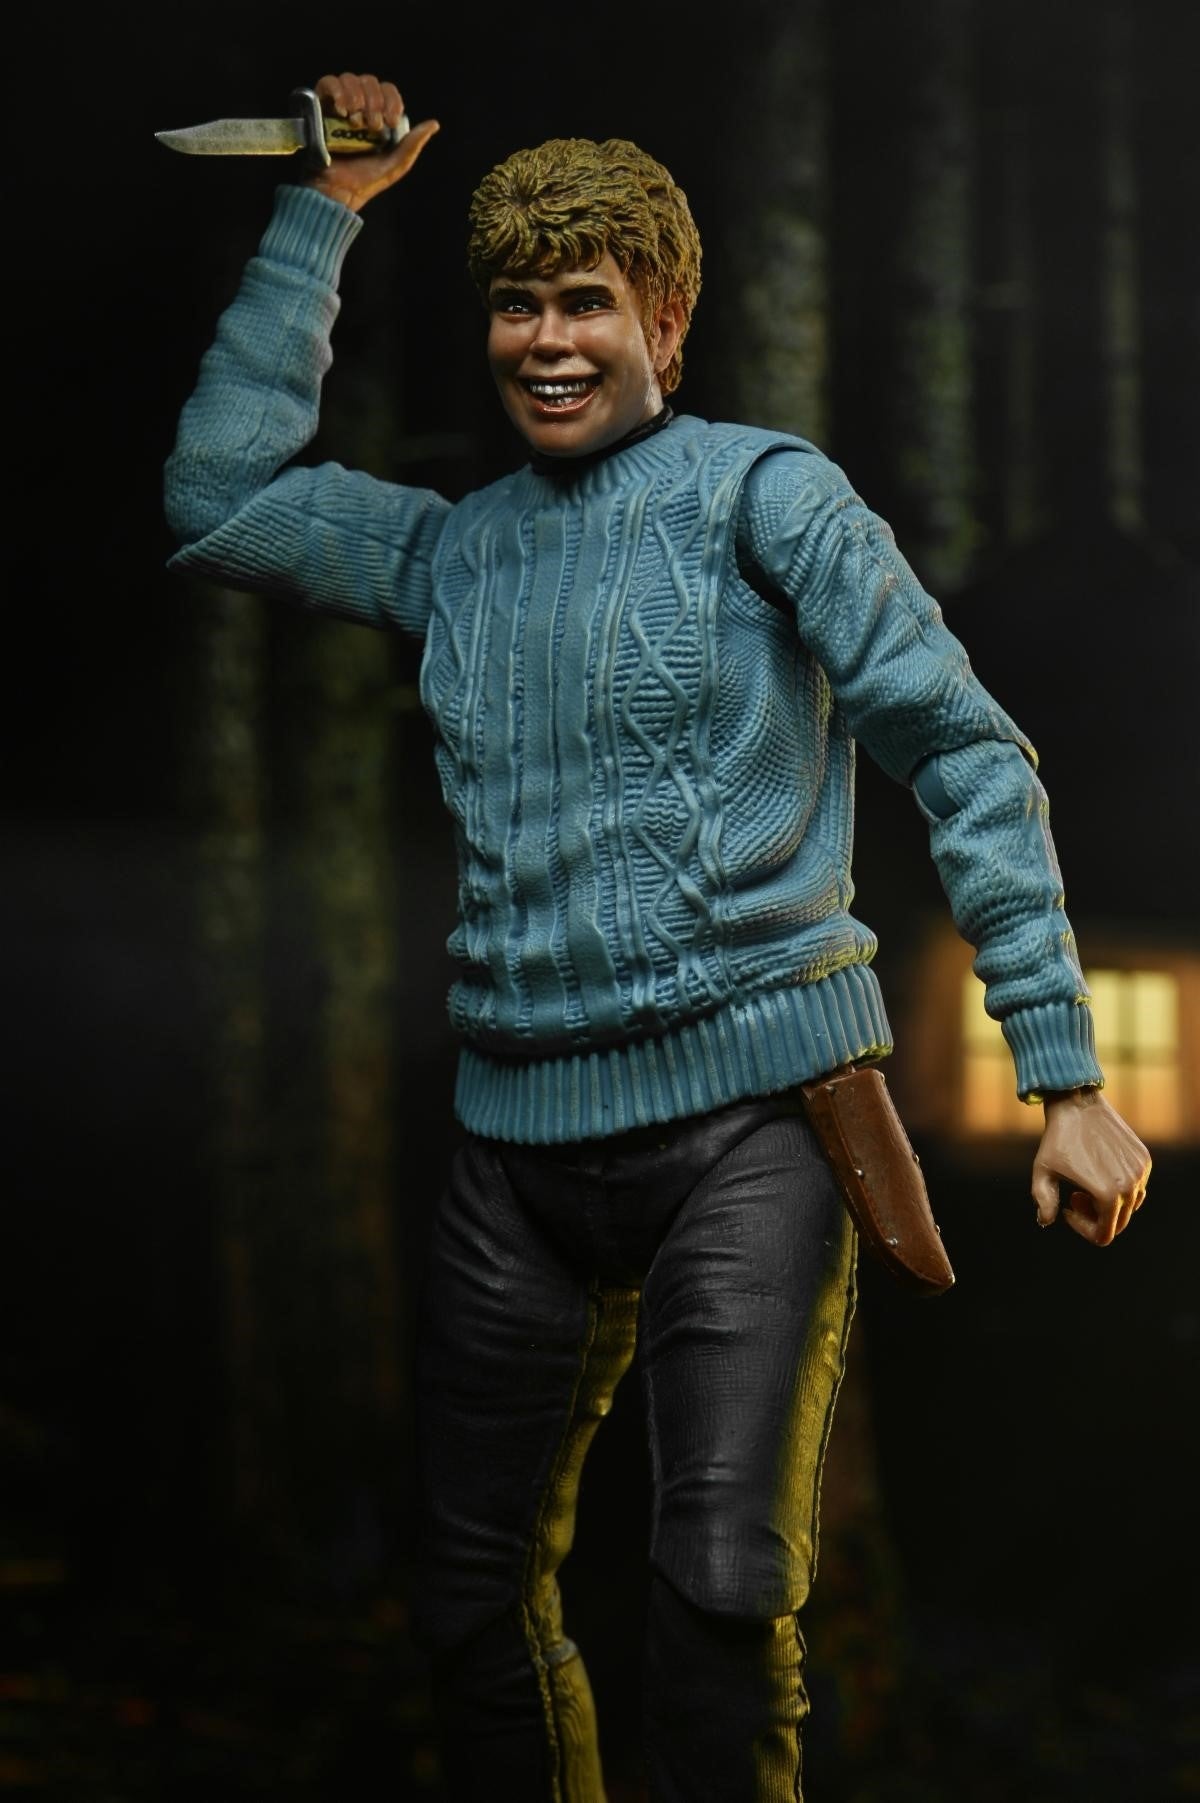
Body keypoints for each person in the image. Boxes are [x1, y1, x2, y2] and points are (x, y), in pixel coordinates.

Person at [164, 71, 1151, 1802]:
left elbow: (965, 751)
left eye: (586, 303)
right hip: (514, 1145)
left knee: (720, 1587)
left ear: (666, 325)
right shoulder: (457, 552)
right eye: (517, 305)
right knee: (471, 1601)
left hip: (751, 1127)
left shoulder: (767, 497)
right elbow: (220, 494)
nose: (548, 341)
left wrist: (1062, 1073)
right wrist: (325, 212)